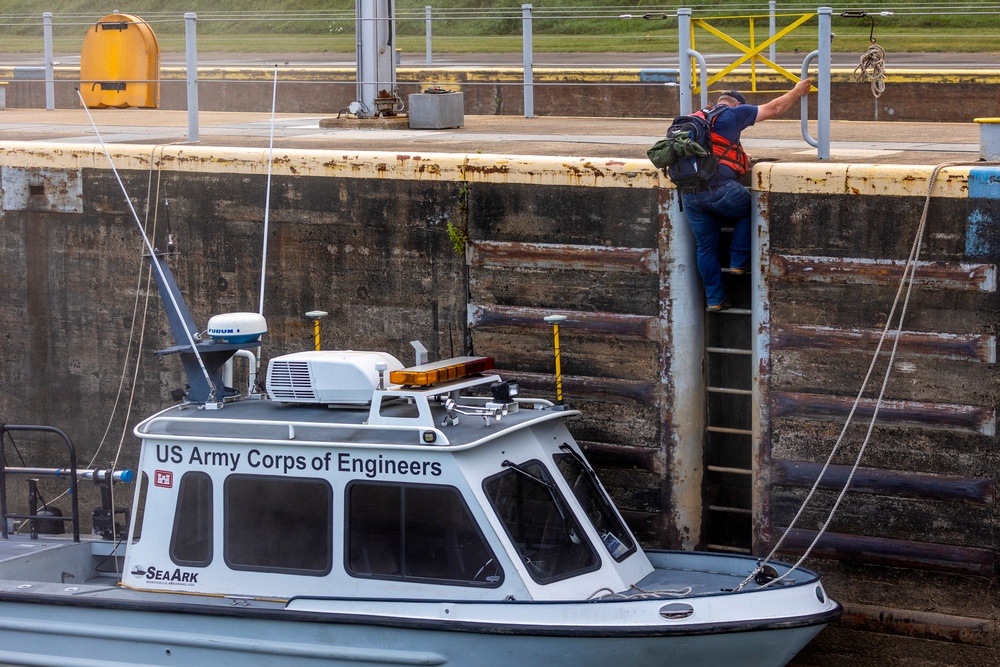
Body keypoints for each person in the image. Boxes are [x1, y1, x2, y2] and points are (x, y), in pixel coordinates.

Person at [681, 79, 813, 311]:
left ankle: (715, 300)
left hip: (690, 195)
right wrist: (796, 91)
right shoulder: (733, 113)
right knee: (753, 207)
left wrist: (741, 156)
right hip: (718, 189)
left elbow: (716, 149)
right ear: (738, 105)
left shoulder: (697, 119)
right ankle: (739, 261)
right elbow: (774, 108)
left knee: (705, 248)